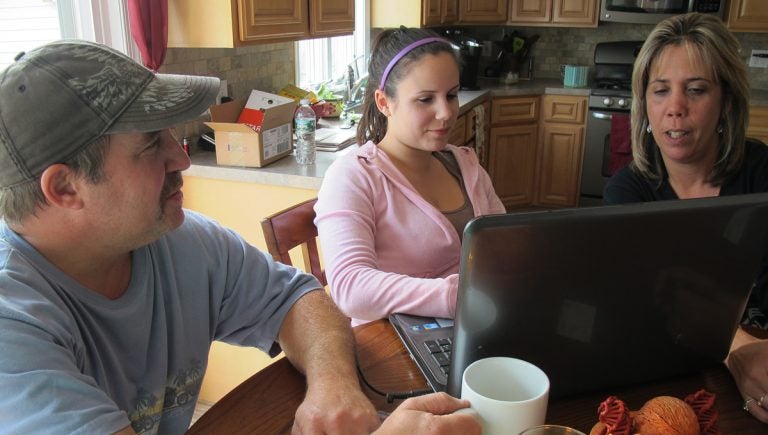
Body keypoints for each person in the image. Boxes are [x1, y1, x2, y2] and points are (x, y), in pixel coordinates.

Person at [0, 40, 481, 434]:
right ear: (64, 187)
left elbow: (298, 299)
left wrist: (333, 385)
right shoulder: (12, 329)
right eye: (150, 145)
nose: (181, 158)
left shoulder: (181, 244)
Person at [601, 13, 768, 424]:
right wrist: (739, 348)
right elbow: (654, 299)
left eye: (695, 90)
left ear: (726, 101)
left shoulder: (762, 174)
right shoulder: (627, 192)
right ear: (645, 103)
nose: (675, 108)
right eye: (661, 91)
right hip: (675, 381)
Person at [314, 27, 505, 326]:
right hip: (390, 343)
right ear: (384, 102)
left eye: (451, 95)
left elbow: (503, 243)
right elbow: (350, 288)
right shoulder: (354, 177)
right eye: (425, 99)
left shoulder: (464, 165)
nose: (445, 112)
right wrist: (456, 298)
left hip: (474, 324)